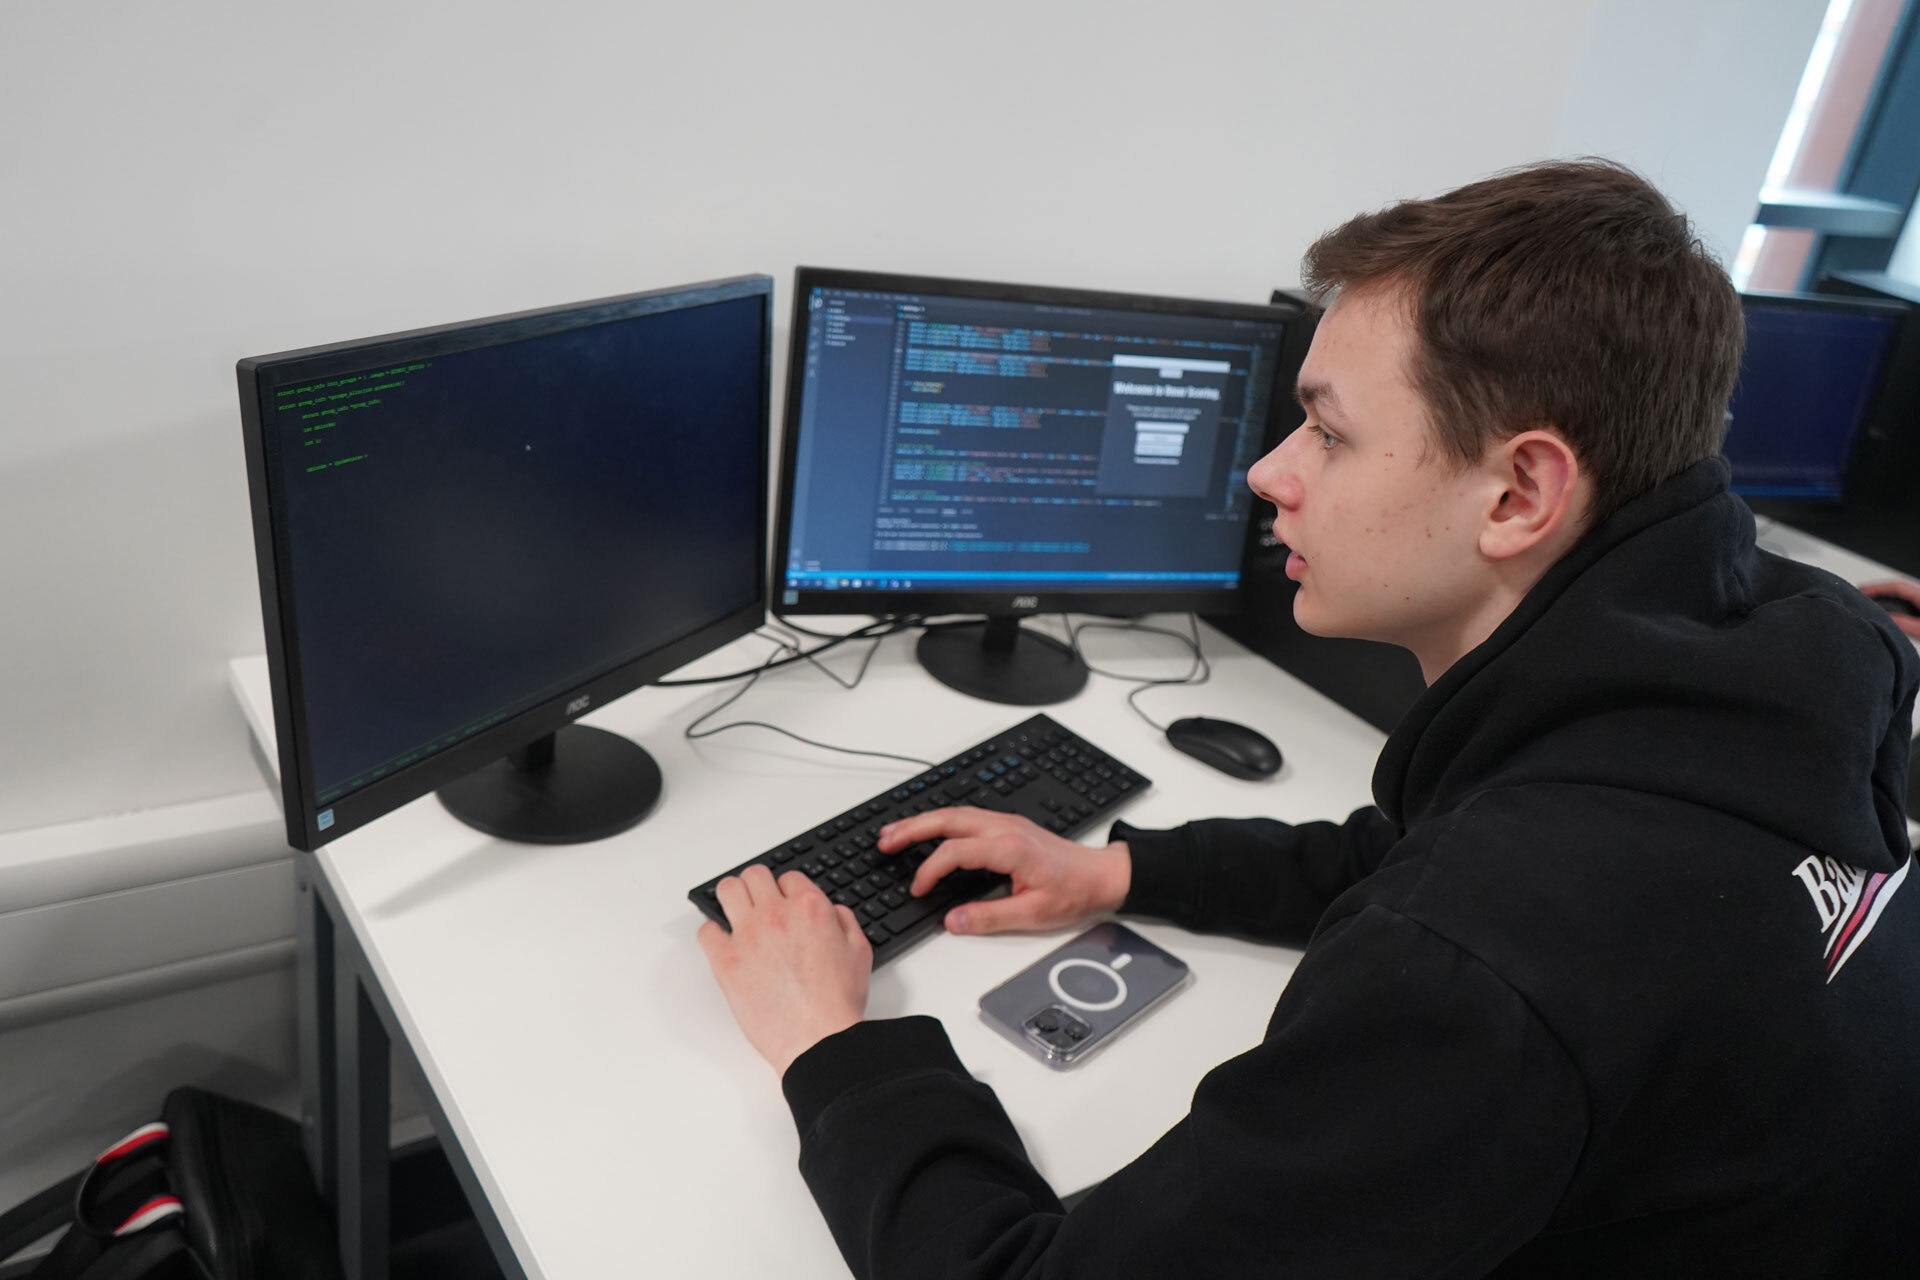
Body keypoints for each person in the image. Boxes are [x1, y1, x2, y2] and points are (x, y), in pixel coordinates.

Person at [697, 160, 1920, 1276]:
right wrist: (1115, 870)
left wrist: (831, 1047)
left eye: (1329, 432)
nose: (1267, 471)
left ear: (1520, 491)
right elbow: (1426, 847)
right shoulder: (1789, 655)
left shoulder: (1489, 959)